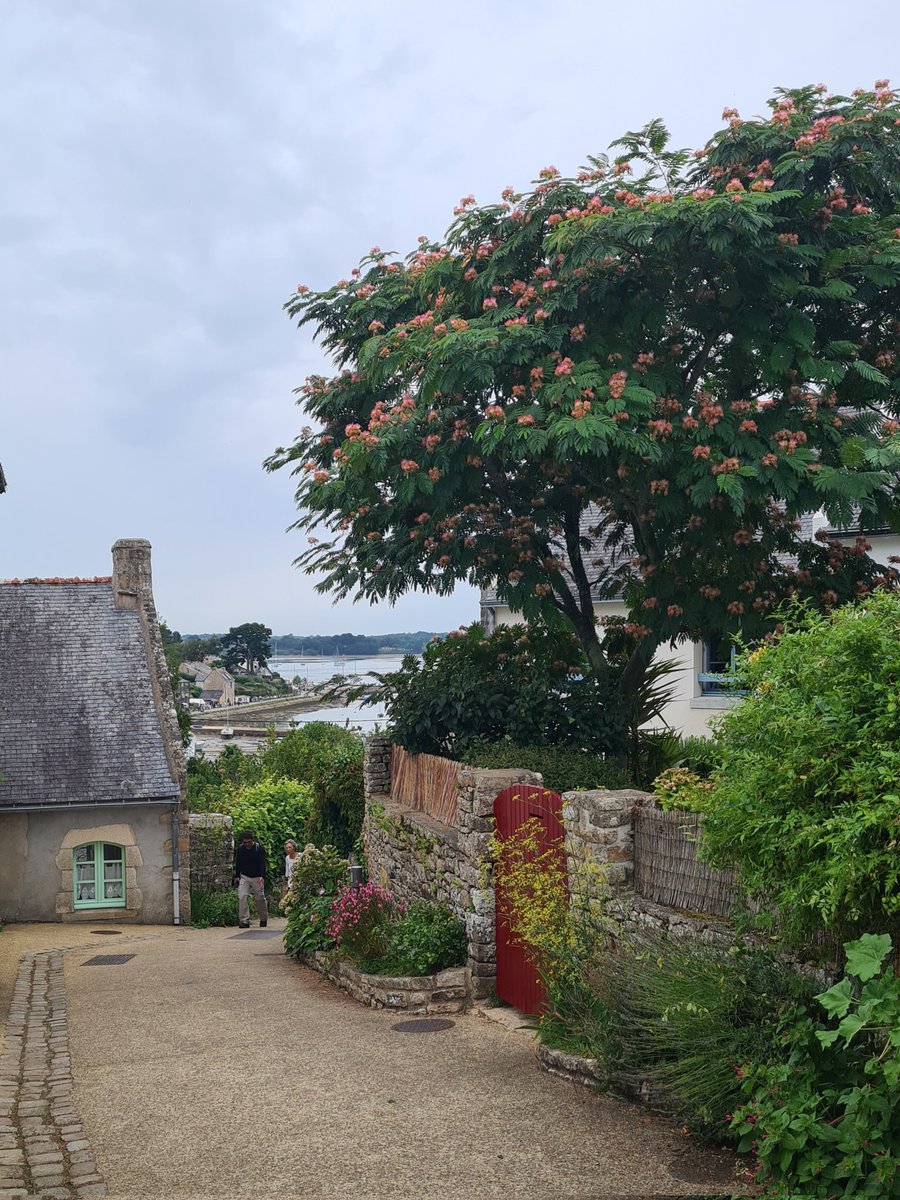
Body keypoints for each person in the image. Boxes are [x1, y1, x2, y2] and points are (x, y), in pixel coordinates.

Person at [232, 829, 268, 929]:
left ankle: (263, 918)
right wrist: (237, 876)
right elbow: (238, 863)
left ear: (252, 840)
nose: (247, 844)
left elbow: (262, 863)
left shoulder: (259, 849)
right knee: (242, 896)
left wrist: (262, 876)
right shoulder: (240, 850)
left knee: (259, 898)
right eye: (245, 842)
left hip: (257, 877)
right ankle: (244, 920)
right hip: (245, 876)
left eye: (249, 842)